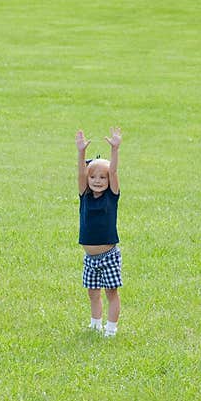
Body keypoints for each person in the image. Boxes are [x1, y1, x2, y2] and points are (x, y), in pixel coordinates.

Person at [76, 127, 123, 337]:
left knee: (111, 292)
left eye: (102, 177)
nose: (97, 180)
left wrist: (114, 150)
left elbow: (113, 171)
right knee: (93, 293)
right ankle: (95, 324)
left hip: (109, 256)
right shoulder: (84, 195)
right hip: (90, 258)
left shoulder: (111, 196)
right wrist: (81, 153)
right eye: (93, 176)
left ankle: (111, 329)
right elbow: (80, 172)